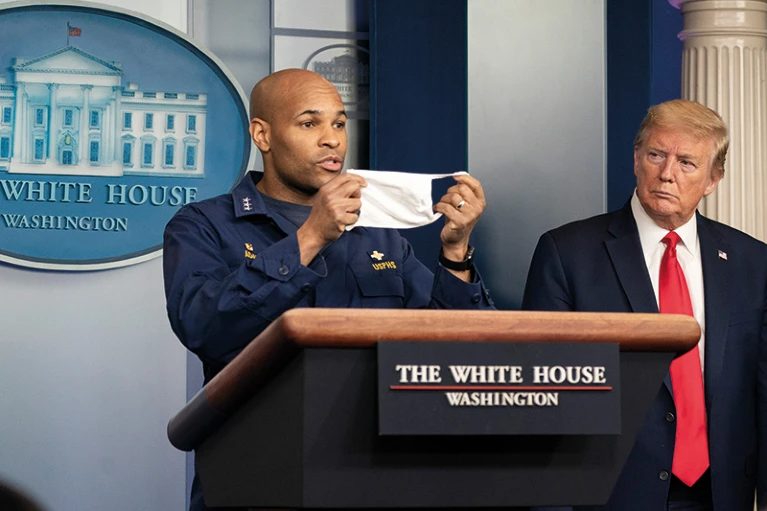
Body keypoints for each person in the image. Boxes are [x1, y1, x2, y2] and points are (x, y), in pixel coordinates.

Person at [163, 68, 494, 511]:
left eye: (339, 123)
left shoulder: (380, 233)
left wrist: (455, 254)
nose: (332, 139)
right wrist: (311, 237)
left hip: (379, 477)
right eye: (309, 123)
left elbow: (450, 348)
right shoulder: (203, 225)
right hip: (257, 477)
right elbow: (204, 326)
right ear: (263, 135)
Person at [522, 99, 766, 511]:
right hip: (610, 496)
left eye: (687, 162)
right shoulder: (567, 253)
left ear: (713, 179)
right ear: (637, 159)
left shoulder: (752, 261)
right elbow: (545, 398)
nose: (666, 174)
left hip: (720, 494)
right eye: (656, 155)